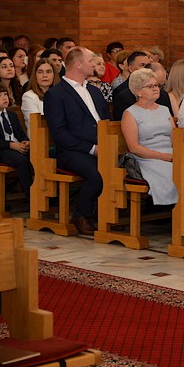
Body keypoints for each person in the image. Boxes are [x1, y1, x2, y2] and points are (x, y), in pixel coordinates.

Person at [43, 47, 111, 236]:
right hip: (72, 151)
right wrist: (92, 148)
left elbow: (106, 121)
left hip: (103, 146)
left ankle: (108, 215)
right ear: (78, 64)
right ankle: (81, 215)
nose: (94, 64)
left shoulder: (94, 91)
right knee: (97, 175)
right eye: (91, 60)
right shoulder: (56, 94)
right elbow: (59, 133)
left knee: (120, 170)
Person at [121, 68, 177, 208]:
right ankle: (176, 210)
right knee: (171, 173)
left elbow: (175, 138)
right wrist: (163, 157)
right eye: (150, 86)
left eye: (156, 85)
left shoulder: (164, 109)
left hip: (170, 154)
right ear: (138, 91)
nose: (155, 89)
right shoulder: (130, 113)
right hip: (147, 157)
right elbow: (134, 147)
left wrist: (178, 154)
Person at [0, 81, 33, 195]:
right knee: (21, 161)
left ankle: (44, 192)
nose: (4, 98)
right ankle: (31, 196)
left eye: (5, 94)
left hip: (17, 147)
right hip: (0, 151)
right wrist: (10, 145)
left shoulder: (12, 115)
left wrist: (25, 142)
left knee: (38, 156)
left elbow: (20, 134)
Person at [21, 58, 57, 137]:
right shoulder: (29, 97)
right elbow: (37, 123)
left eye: (48, 72)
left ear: (54, 75)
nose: (45, 75)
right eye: (40, 72)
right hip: (39, 138)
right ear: (35, 75)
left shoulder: (60, 95)